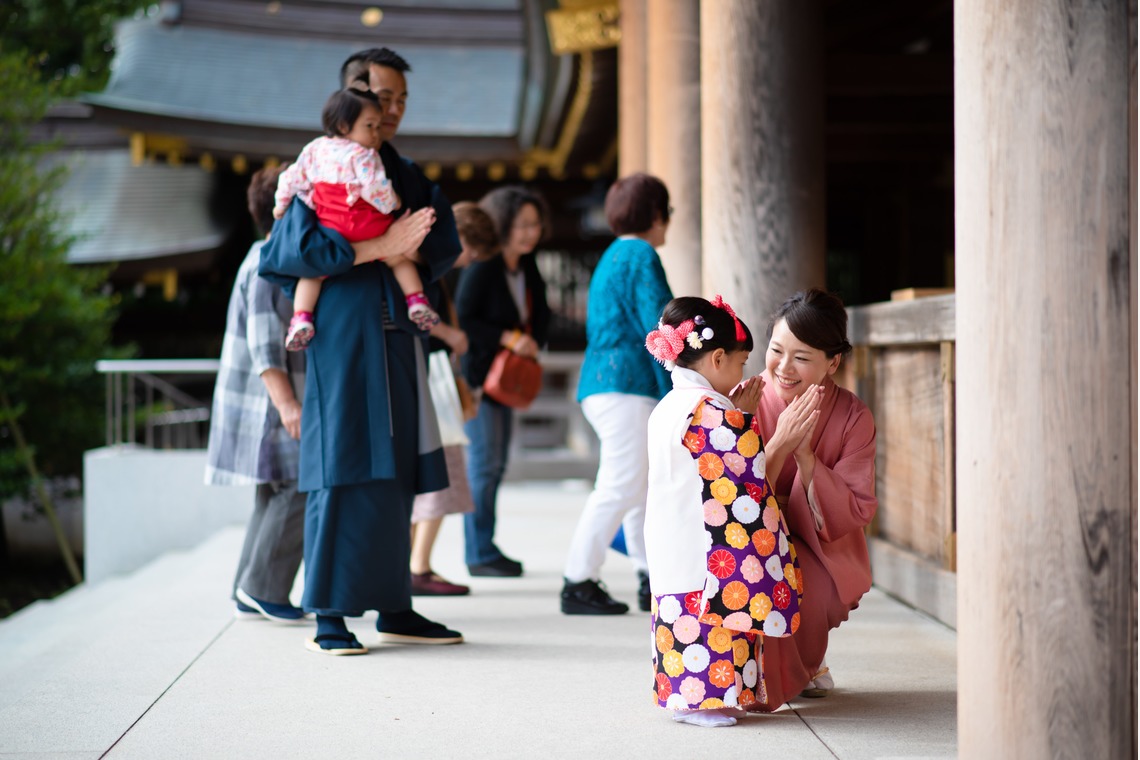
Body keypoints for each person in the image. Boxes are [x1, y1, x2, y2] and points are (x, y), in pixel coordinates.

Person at [259, 46, 463, 655]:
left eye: (402, 100)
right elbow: (285, 255)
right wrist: (380, 246)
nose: (394, 110)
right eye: (384, 98)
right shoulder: (320, 165)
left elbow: (441, 242)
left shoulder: (402, 171)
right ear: (355, 92)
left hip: (398, 333)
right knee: (341, 466)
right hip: (341, 335)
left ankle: (394, 603)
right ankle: (329, 612)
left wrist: (405, 244)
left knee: (396, 469)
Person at [643, 296, 803, 728]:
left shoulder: (670, 406)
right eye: (739, 361)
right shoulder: (708, 409)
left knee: (683, 608)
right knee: (711, 611)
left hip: (672, 530)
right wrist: (750, 423)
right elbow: (741, 472)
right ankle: (705, 701)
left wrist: (739, 416)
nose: (742, 373)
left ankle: (690, 697)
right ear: (716, 358)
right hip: (703, 538)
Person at [745, 288, 877, 707]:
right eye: (776, 350)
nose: (783, 368)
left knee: (813, 589)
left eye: (802, 358)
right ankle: (764, 669)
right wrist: (779, 445)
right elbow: (721, 490)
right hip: (745, 534)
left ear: (833, 362)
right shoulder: (743, 400)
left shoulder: (853, 416)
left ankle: (803, 661)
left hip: (817, 543)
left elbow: (855, 504)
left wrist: (807, 460)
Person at [562, 173, 674, 615]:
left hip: (605, 383)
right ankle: (578, 580)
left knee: (636, 485)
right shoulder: (641, 253)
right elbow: (663, 328)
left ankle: (649, 577)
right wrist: (678, 390)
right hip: (626, 384)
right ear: (656, 214)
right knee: (620, 485)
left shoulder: (613, 254)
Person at [205, 165, 307, 624]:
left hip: (258, 400)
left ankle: (248, 587)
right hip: (269, 401)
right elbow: (266, 344)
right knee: (300, 486)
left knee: (274, 491)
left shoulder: (261, 255)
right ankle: (265, 588)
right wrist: (289, 405)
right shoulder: (270, 262)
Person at [274, 84, 439, 350]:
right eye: (370, 126)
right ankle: (416, 299)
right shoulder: (364, 155)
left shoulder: (314, 149)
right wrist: (392, 204)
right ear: (343, 126)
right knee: (398, 259)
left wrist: (280, 206)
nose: (376, 134)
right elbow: (375, 187)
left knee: (313, 275)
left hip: (331, 229)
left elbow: (291, 178)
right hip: (367, 225)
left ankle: (301, 318)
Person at [454, 186, 551, 577]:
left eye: (535, 224)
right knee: (483, 465)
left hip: (508, 378)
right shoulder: (484, 265)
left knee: (495, 466)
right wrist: (509, 338)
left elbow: (541, 312)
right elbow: (465, 317)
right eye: (522, 225)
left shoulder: (526, 266)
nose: (531, 232)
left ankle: (485, 546)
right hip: (481, 378)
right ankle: (478, 552)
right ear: (503, 225)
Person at [408, 202, 499, 596]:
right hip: (430, 378)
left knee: (436, 472)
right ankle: (417, 566)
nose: (470, 260)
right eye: (472, 251)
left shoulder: (427, 266)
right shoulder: (425, 268)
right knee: (440, 471)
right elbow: (418, 316)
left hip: (429, 378)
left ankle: (413, 564)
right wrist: (451, 336)